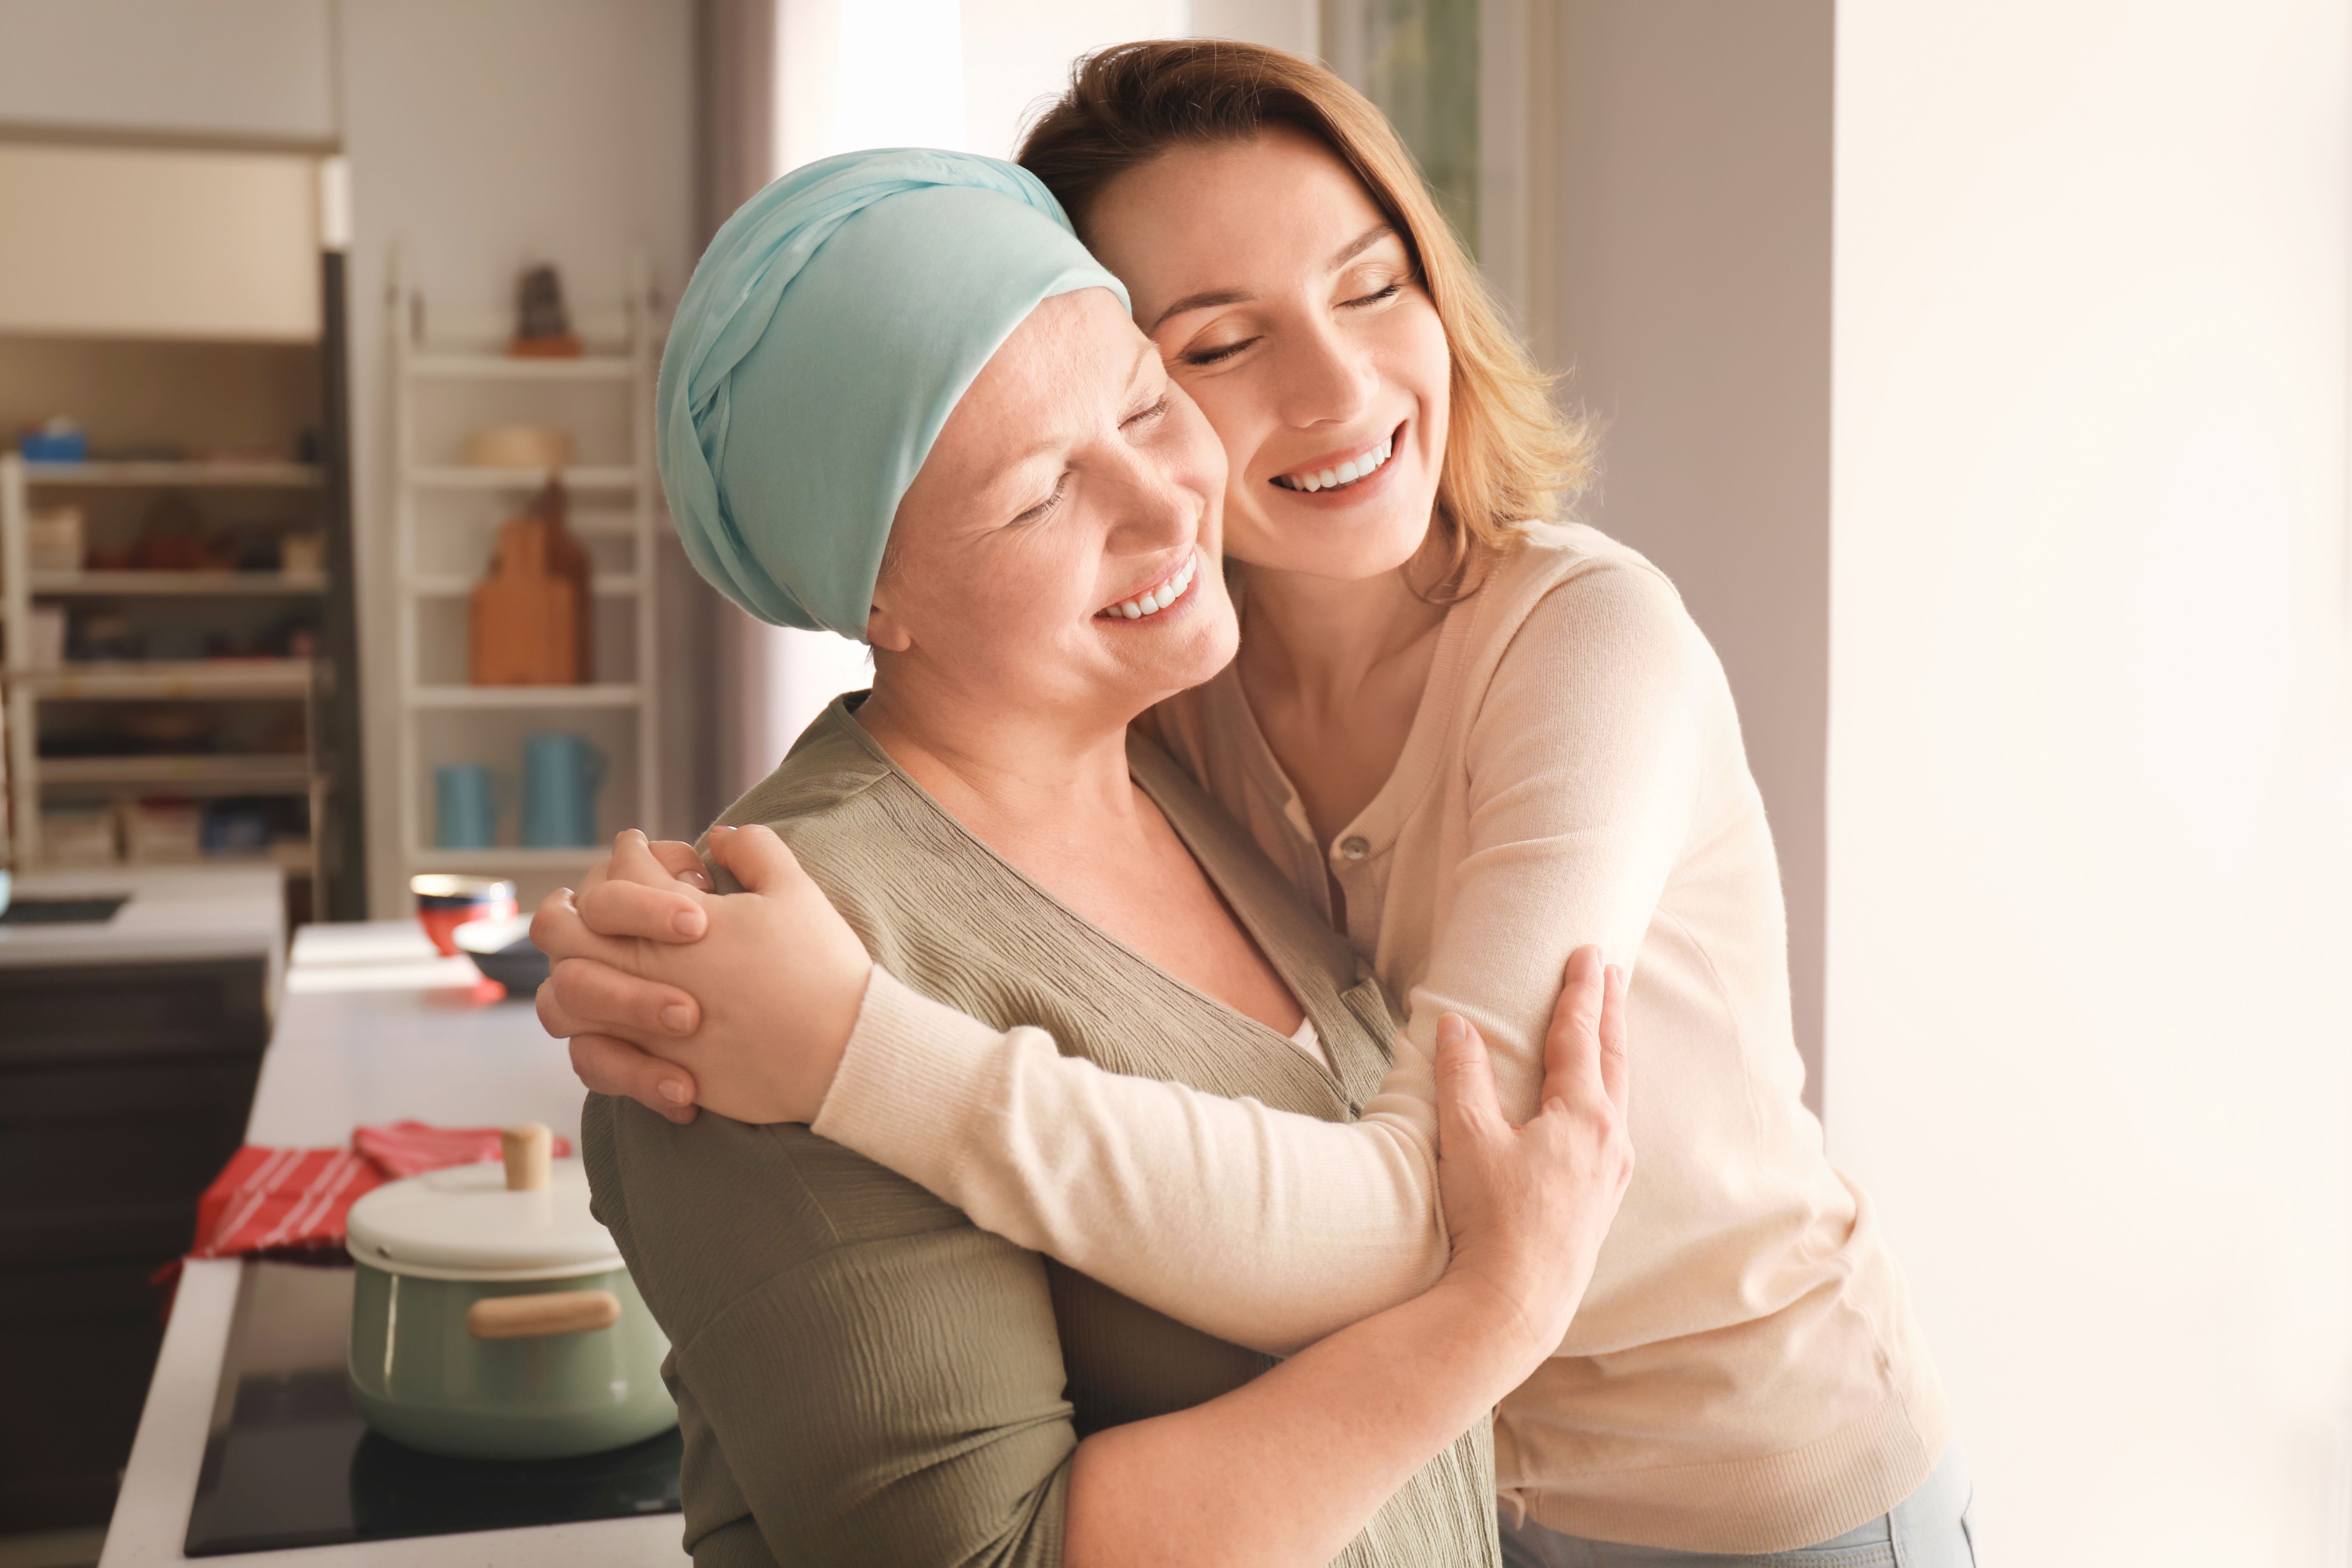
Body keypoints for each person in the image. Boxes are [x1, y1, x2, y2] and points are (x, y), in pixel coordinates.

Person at [542, 40, 1972, 1568]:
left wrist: (857, 1053)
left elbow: (1428, 1203)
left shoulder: (1579, 646)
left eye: (1373, 287)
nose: (1339, 387)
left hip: (1750, 1478)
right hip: (1487, 1483)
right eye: (1217, 348)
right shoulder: (1177, 696)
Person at [574, 145, 1634, 1568]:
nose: (1166, 502)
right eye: (1038, 495)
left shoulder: (1184, 769)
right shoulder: (759, 972)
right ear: (871, 594)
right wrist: (1497, 1312)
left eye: (1145, 403)